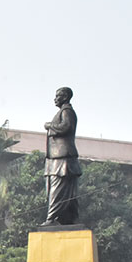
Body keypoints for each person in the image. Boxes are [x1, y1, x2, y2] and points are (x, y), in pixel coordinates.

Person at [43, 86, 81, 226]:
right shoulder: (63, 112)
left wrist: (49, 125)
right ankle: (69, 219)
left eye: (58, 96)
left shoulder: (67, 111)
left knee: (58, 189)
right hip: (57, 158)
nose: (55, 98)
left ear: (65, 97)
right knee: (66, 191)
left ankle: (52, 218)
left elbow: (66, 127)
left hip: (63, 158)